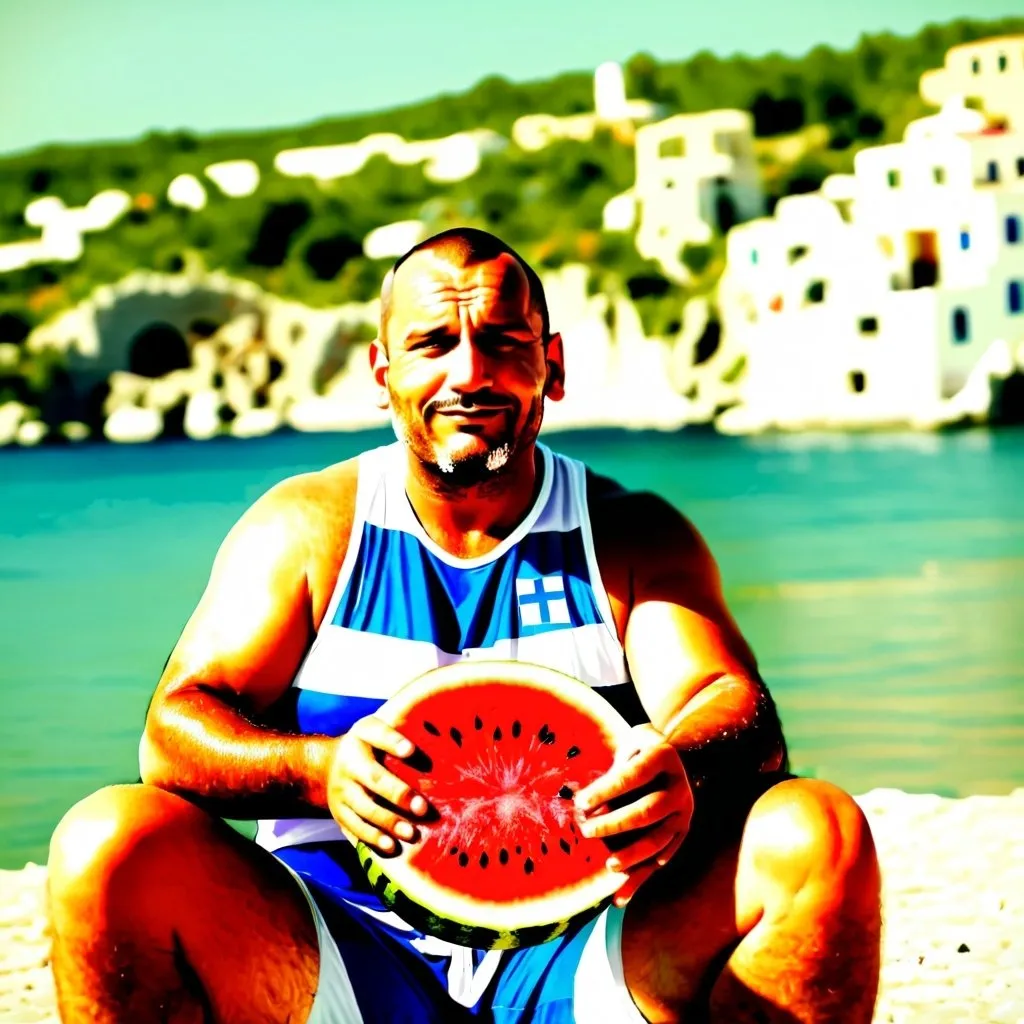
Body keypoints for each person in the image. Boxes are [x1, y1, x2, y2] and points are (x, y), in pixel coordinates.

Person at [47, 227, 881, 1023]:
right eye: (432, 343)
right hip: (336, 957)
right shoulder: (306, 530)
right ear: (381, 372)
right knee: (106, 844)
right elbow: (174, 737)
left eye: (504, 341)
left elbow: (730, 705)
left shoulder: (630, 535)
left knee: (817, 833)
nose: (469, 372)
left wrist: (686, 768)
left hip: (591, 950)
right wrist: (321, 770)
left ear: (551, 367)